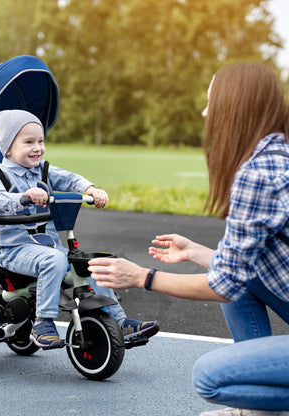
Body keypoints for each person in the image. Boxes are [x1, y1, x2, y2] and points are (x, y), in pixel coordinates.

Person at [88, 62, 289, 414]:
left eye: (212, 102)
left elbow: (224, 285)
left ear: (235, 109)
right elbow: (240, 269)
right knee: (242, 278)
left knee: (210, 377)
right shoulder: (277, 156)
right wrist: (197, 252)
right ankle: (259, 411)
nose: (204, 112)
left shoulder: (257, 174)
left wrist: (142, 278)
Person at [0, 109, 159, 349]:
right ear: (7, 148)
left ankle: (121, 321)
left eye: (40, 141)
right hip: (13, 248)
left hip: (48, 247)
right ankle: (43, 322)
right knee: (54, 260)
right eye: (28, 142)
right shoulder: (0, 175)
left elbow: (70, 179)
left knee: (90, 265)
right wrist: (23, 197)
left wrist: (90, 189)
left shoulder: (42, 170)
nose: (37, 147)